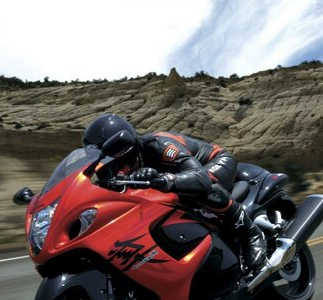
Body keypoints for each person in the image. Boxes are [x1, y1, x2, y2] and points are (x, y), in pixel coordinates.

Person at [82, 113, 266, 274]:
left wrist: (167, 179)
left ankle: (250, 233)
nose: (110, 162)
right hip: (179, 182)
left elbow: (200, 177)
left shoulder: (159, 144)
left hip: (213, 162)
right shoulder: (108, 171)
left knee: (201, 187)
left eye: (115, 151)